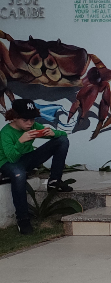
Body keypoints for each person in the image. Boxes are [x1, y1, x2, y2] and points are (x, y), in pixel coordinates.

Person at [0, 99, 71, 236]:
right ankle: (23, 219)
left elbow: (63, 135)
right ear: (14, 118)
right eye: (25, 119)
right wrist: (21, 141)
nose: (30, 123)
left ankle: (54, 181)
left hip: (26, 159)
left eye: (32, 119)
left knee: (62, 141)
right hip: (7, 163)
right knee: (19, 174)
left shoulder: (33, 126)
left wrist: (53, 134)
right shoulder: (6, 133)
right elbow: (12, 158)